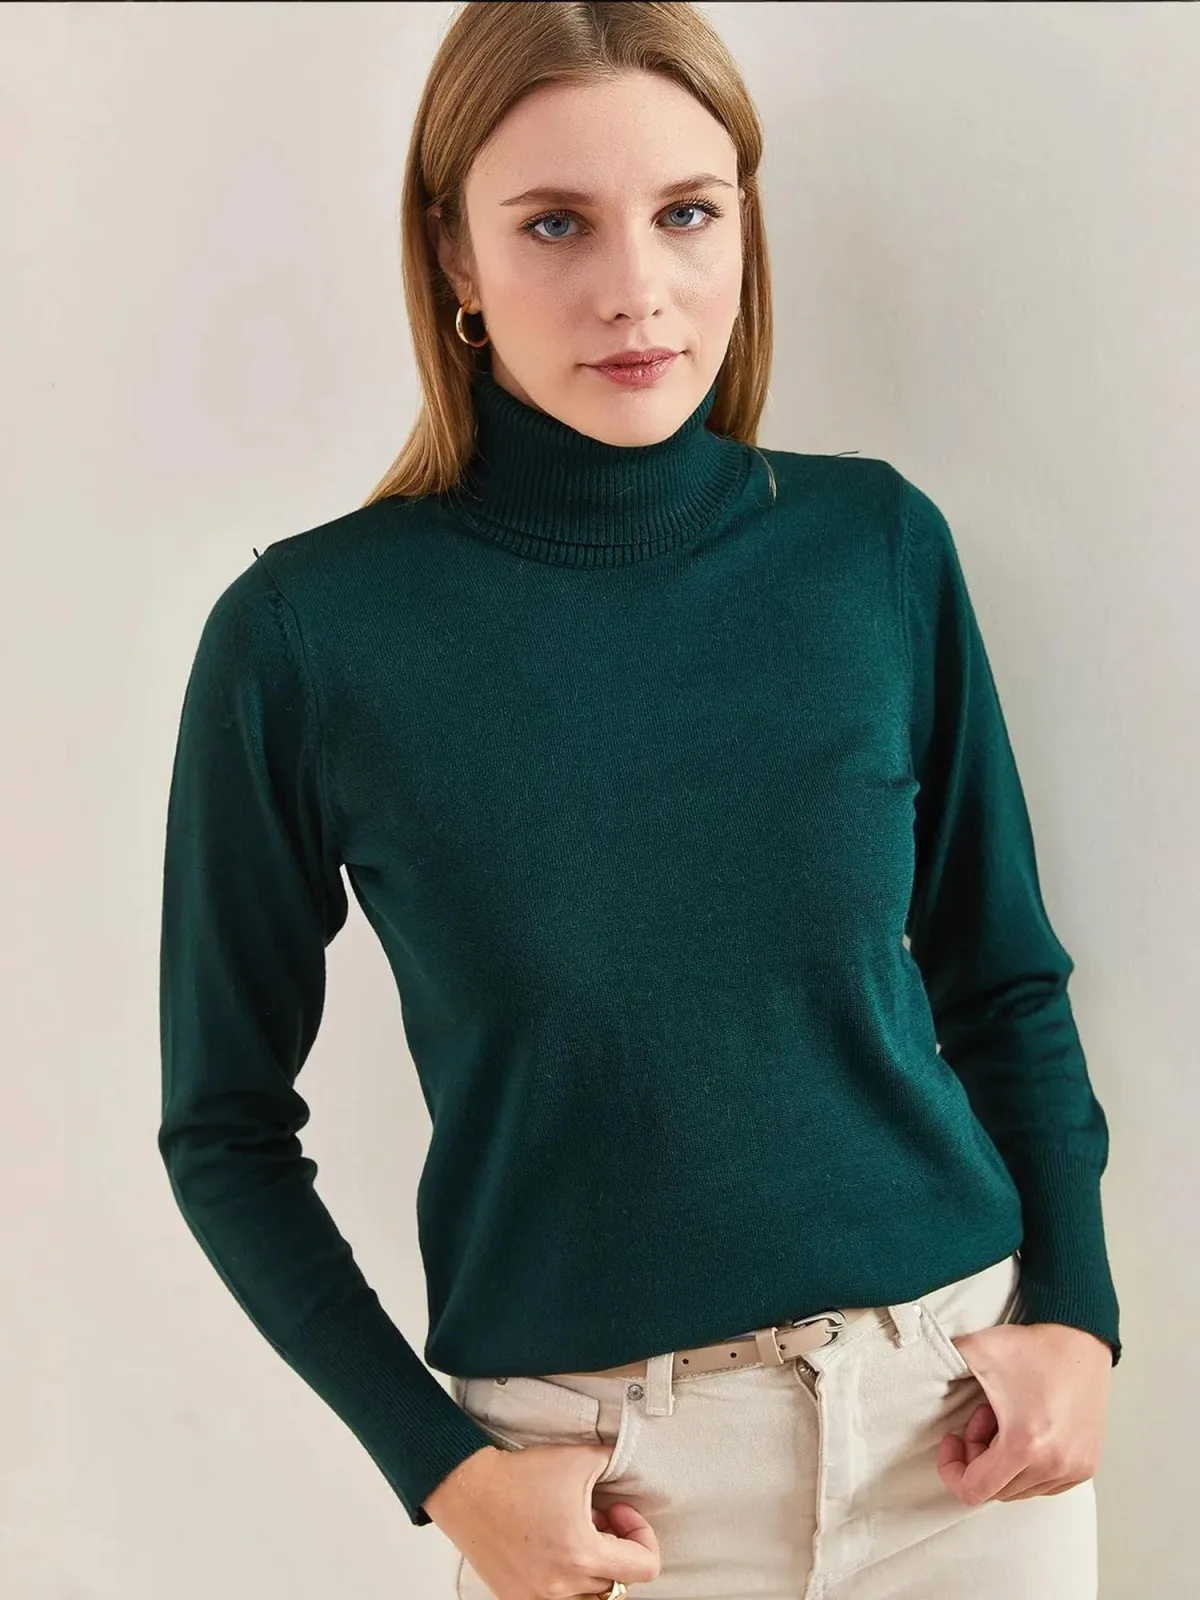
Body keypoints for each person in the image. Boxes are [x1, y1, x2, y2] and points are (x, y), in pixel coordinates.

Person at [157, 4, 1121, 1598]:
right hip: (602, 1504)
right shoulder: (308, 640)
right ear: (455, 257)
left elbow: (1003, 977)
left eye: (686, 212)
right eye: (555, 224)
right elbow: (225, 1128)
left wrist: (1079, 1313)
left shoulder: (874, 550)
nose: (635, 289)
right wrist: (444, 1473)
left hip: (958, 1446)